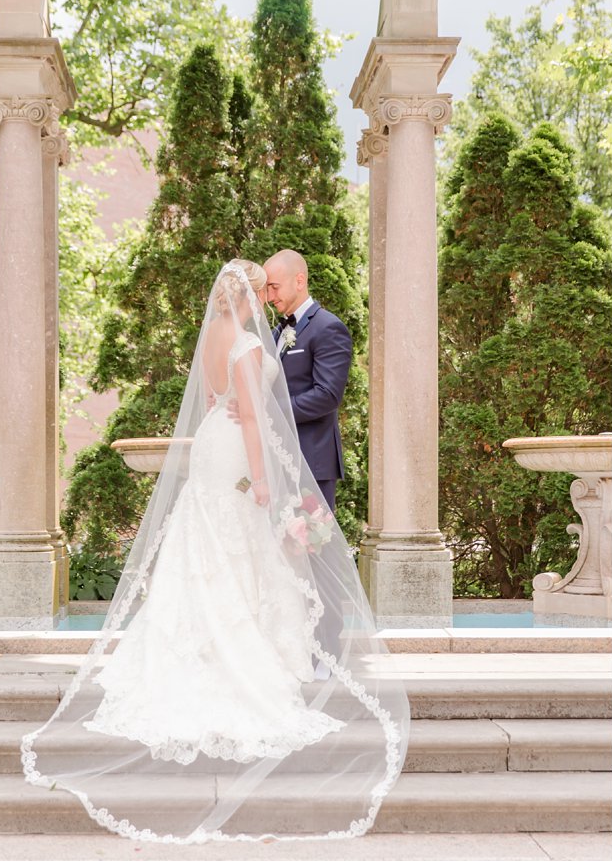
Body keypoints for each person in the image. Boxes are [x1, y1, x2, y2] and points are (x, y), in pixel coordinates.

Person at [21, 260, 406, 843]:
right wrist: (262, 477)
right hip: (237, 453)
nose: (269, 295)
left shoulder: (217, 337)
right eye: (263, 287)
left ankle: (211, 642)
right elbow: (253, 418)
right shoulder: (251, 339)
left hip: (209, 449)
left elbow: (219, 401)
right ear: (251, 294)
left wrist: (248, 429)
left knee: (206, 546)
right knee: (241, 546)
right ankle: (255, 650)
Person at [261, 249, 354, 514]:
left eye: (274, 287)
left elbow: (327, 395)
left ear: (299, 281)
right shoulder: (275, 331)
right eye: (267, 289)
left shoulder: (328, 328)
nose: (269, 297)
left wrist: (270, 411)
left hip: (310, 459)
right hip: (276, 458)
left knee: (311, 551)